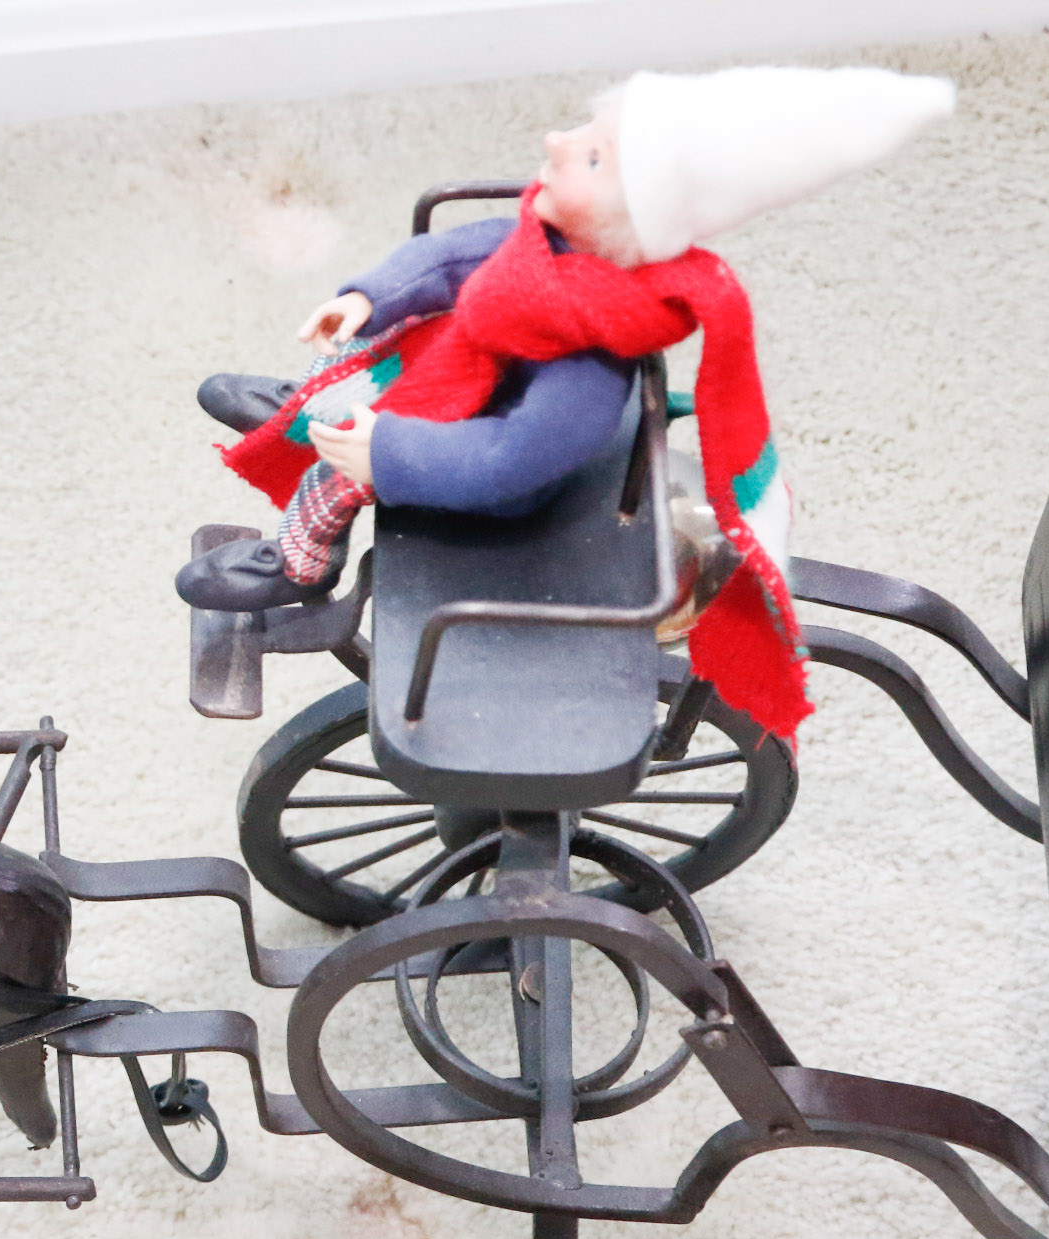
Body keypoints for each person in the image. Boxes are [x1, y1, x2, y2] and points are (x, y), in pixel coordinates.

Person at [181, 66, 953, 739]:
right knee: (421, 324)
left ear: (630, 221)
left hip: (494, 480)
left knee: (348, 467)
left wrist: (384, 453)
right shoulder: (545, 253)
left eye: (590, 154)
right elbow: (451, 258)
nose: (555, 139)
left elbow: (505, 464)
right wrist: (367, 297)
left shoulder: (587, 366)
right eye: (585, 132)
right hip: (476, 390)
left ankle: (303, 554)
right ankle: (319, 413)